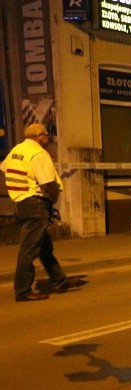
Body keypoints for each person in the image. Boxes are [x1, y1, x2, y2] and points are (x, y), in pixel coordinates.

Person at [1, 123, 69, 302]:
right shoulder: (38, 154)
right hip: (35, 203)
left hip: (21, 203)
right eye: (47, 135)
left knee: (44, 246)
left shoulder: (18, 150)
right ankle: (22, 290)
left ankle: (59, 279)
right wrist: (53, 199)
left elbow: (4, 167)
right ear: (39, 136)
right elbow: (48, 183)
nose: (48, 138)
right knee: (29, 249)